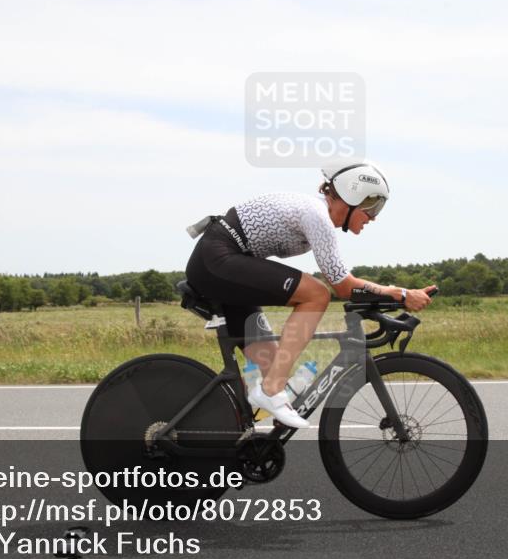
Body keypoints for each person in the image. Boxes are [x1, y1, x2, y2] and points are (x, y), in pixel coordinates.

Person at [185, 162, 435, 429]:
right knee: (316, 294)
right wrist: (401, 294)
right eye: (372, 207)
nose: (373, 217)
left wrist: (394, 295)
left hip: (223, 263)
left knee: (271, 361)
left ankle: (236, 430)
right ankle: (270, 391)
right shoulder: (317, 216)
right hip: (217, 260)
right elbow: (342, 285)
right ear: (352, 197)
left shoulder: (314, 212)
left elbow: (345, 283)